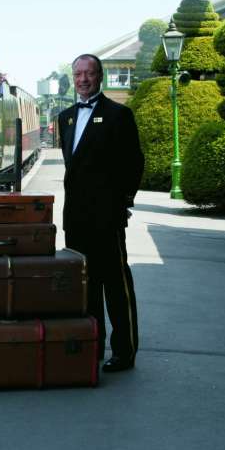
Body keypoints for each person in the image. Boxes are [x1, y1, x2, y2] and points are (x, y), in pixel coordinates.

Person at [58, 54, 144, 373]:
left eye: (89, 74)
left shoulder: (119, 114)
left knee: (115, 284)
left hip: (107, 217)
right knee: (87, 285)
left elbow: (134, 163)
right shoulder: (65, 117)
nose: (83, 79)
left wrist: (123, 203)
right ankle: (92, 346)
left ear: (100, 77)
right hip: (76, 219)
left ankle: (125, 350)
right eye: (78, 74)